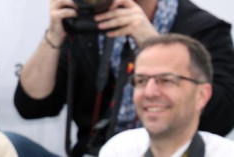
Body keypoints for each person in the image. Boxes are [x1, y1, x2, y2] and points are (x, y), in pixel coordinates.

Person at [15, 0, 234, 156]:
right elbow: (32, 106)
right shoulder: (86, 22)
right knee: (10, 144)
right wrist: (55, 35)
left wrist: (151, 43)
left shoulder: (204, 29)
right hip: (92, 152)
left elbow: (222, 119)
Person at [99, 34, 234, 157]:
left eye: (166, 80)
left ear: (201, 95)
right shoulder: (119, 150)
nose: (149, 92)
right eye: (141, 81)